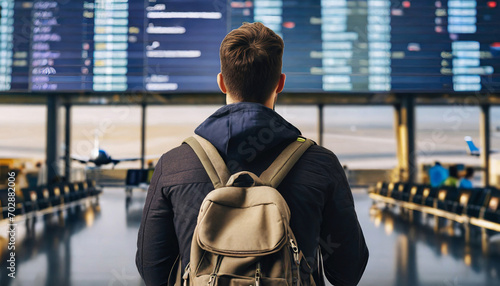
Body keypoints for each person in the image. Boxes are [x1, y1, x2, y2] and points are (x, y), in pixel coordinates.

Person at [136, 22, 368, 286]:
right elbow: (347, 271)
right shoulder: (320, 164)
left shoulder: (175, 164)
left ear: (222, 82)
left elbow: (152, 270)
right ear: (280, 83)